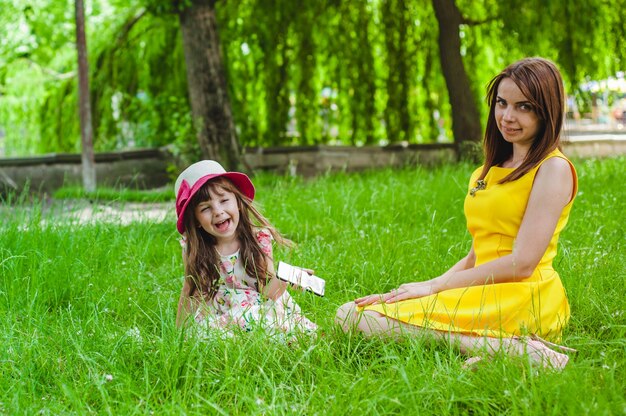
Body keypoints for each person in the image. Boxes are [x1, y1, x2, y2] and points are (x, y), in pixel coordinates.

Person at [335, 57, 578, 370]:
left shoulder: (553, 168)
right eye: (502, 103)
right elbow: (477, 256)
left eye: (524, 107)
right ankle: (501, 348)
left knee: (351, 318)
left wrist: (436, 288)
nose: (507, 116)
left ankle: (513, 350)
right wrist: (429, 283)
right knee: (352, 314)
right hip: (484, 287)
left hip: (525, 294)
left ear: (547, 111)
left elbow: (522, 263)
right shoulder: (485, 172)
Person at [174, 160, 317, 338]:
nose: (218, 211)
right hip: (221, 313)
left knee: (268, 323)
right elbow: (191, 291)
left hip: (259, 307)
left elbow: (268, 292)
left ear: (238, 202)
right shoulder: (194, 248)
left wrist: (284, 278)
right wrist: (179, 333)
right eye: (205, 208)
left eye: (224, 200)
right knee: (205, 333)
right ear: (195, 220)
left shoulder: (259, 240)